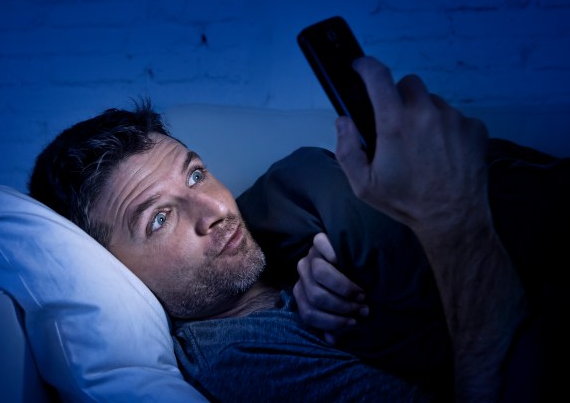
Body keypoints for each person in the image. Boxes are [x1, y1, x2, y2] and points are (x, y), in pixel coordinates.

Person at [28, 56, 567, 402]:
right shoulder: (242, 360)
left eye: (195, 174)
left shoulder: (275, 243)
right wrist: (453, 221)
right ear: (112, 267)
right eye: (160, 218)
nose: (213, 209)